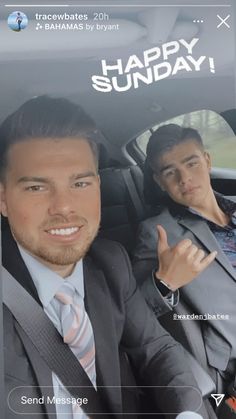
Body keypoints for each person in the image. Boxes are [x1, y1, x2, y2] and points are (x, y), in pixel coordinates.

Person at [0, 98, 208, 419]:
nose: (64, 206)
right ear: (3, 199)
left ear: (98, 184)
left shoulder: (110, 261)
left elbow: (156, 349)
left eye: (80, 183)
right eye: (37, 188)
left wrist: (187, 414)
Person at [133, 123, 236, 397]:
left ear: (208, 160)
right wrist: (164, 282)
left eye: (191, 163)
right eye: (170, 172)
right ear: (159, 181)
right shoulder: (158, 233)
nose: (184, 178)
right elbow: (132, 312)